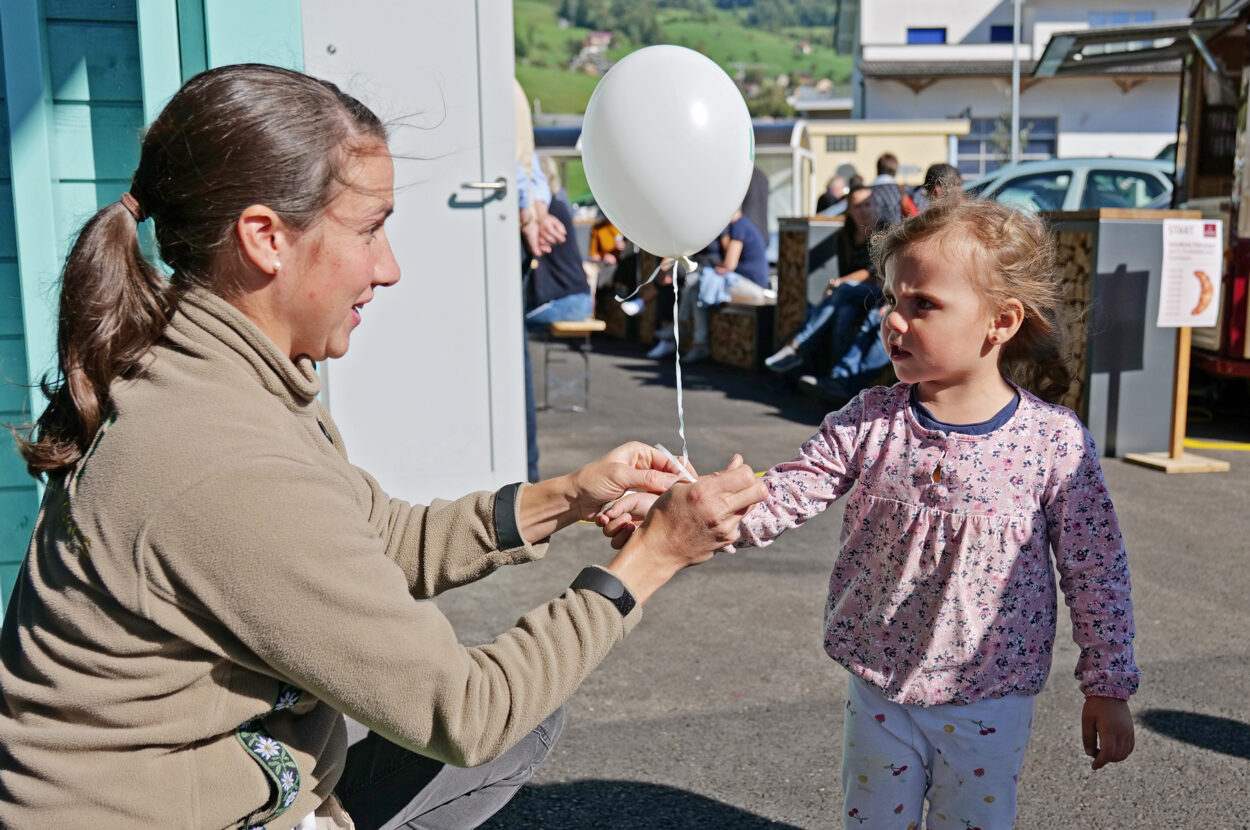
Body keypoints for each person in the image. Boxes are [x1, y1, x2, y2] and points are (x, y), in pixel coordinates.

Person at [0, 64, 769, 830]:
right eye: (369, 230)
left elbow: (378, 537)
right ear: (266, 238)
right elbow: (467, 711)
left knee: (527, 711)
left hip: (235, 776)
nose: (390, 268)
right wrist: (654, 556)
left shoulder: (224, 373)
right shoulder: (223, 461)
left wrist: (568, 497)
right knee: (501, 711)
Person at [610, 199, 1139, 828]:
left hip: (989, 700)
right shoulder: (871, 420)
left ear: (1000, 321)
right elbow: (786, 491)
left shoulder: (1053, 442)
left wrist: (1107, 683)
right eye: (892, 299)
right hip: (880, 686)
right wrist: (686, 511)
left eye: (923, 305)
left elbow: (1095, 570)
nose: (894, 320)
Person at [764, 185, 883, 374]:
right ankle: (834, 377)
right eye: (858, 206)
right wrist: (840, 285)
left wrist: (839, 283)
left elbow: (874, 273)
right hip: (854, 294)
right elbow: (847, 270)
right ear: (849, 210)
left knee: (840, 292)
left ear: (876, 206)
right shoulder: (845, 235)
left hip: (878, 292)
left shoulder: (883, 232)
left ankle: (797, 347)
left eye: (867, 205)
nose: (864, 210)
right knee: (843, 314)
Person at [677, 208, 770, 364]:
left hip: (754, 288)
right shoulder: (742, 225)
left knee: (700, 285)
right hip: (747, 283)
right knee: (697, 290)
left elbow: (729, 264)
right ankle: (695, 339)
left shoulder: (739, 226)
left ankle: (683, 329)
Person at [868, 152, 918, 225]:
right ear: (895, 170)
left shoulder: (867, 192)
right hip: (897, 232)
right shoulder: (902, 190)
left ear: (878, 168)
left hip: (870, 234)